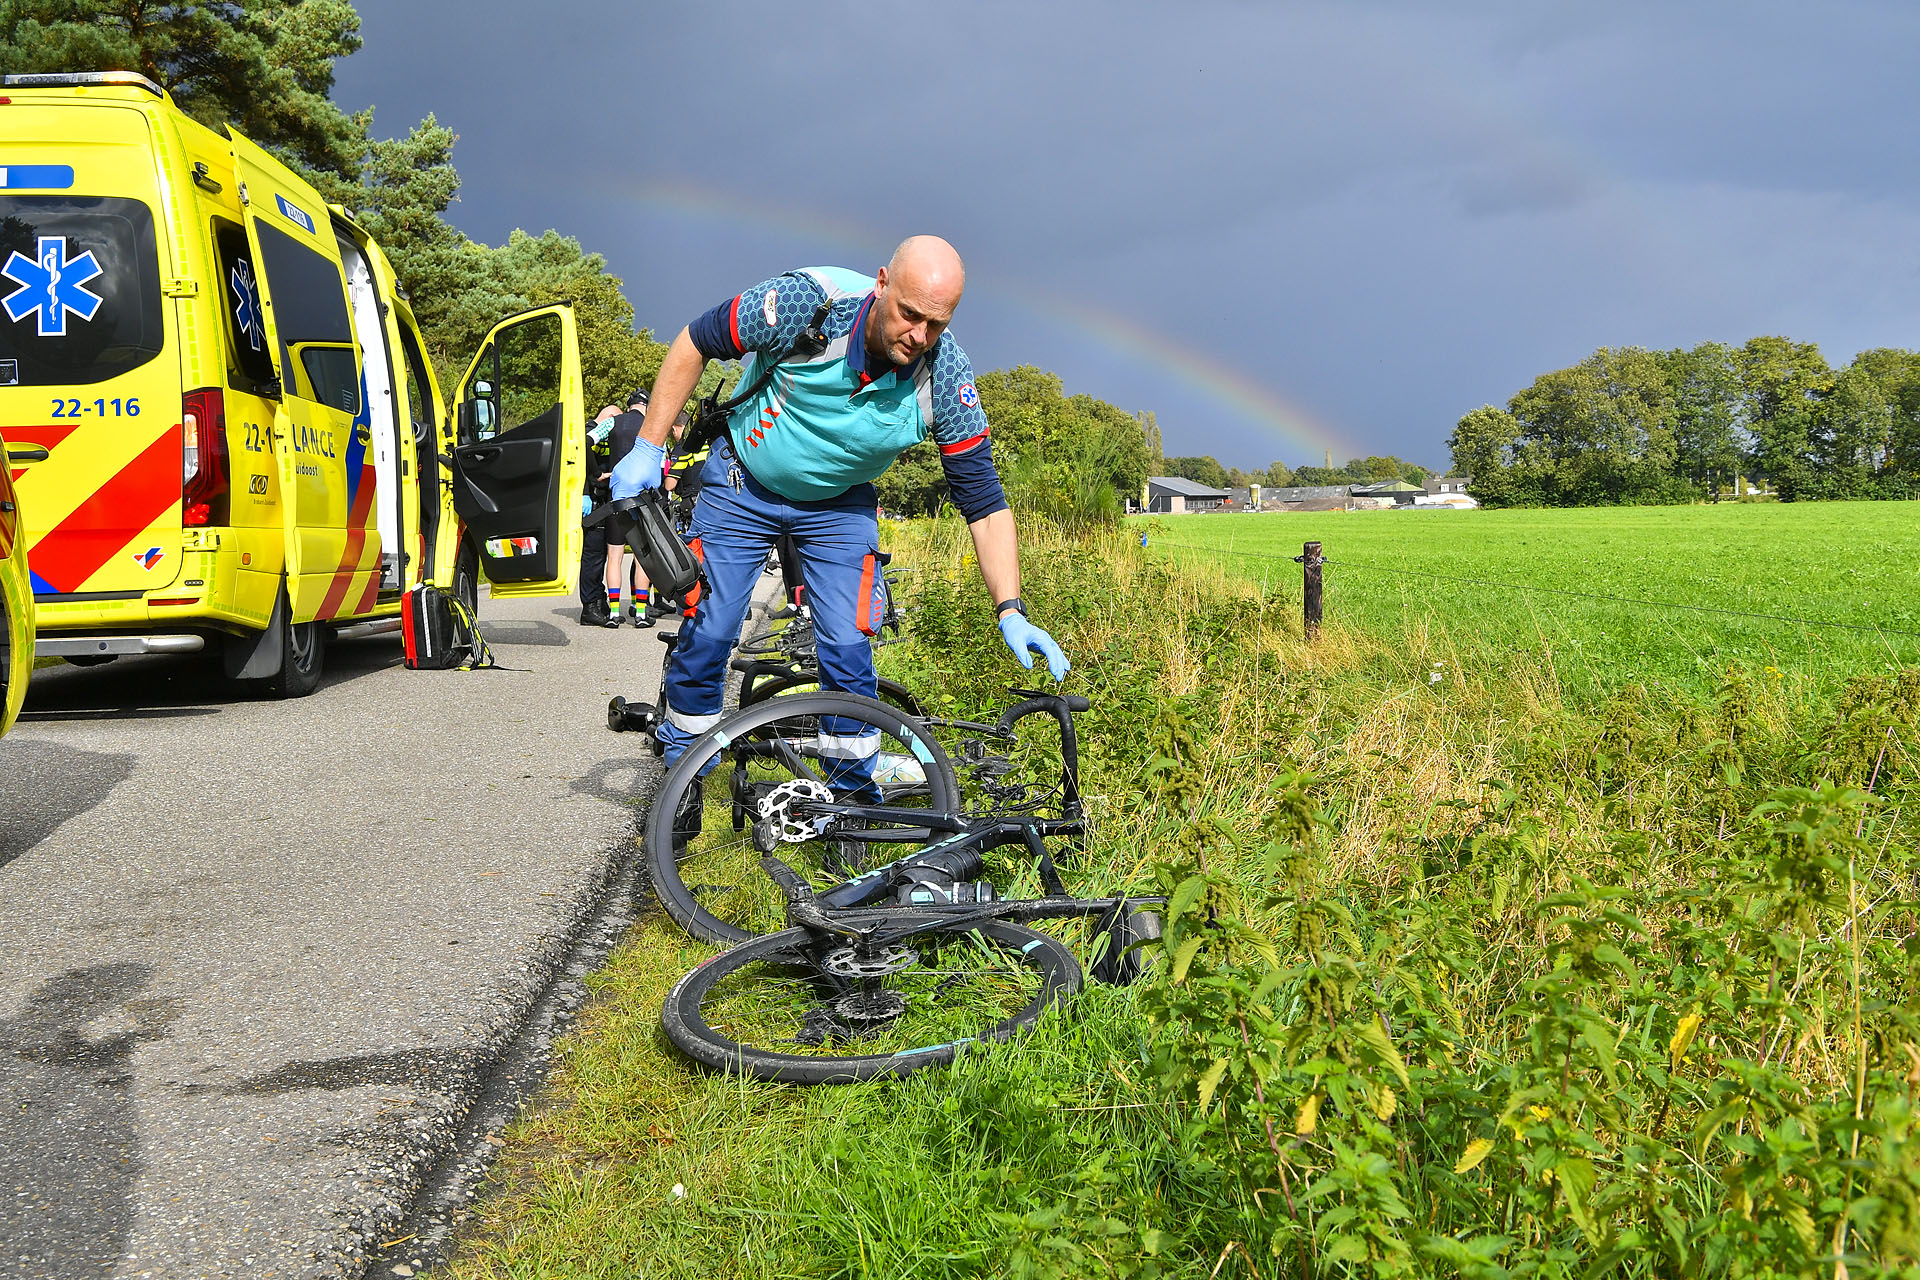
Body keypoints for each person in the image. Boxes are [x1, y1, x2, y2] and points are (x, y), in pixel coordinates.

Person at [611, 235, 1068, 797]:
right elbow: (695, 340)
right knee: (712, 628)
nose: (919, 336)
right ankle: (684, 775)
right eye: (909, 314)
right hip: (744, 480)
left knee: (849, 650)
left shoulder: (944, 377)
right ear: (881, 284)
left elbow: (983, 500)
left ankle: (851, 801)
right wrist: (651, 446)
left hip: (838, 503)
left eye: (937, 325)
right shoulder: (804, 307)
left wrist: (1010, 609)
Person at [576, 404, 625, 627]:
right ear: (610, 418)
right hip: (593, 500)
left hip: (602, 500)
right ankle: (590, 607)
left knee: (601, 557)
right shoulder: (587, 432)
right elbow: (578, 468)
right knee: (593, 556)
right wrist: (593, 481)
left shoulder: (601, 436)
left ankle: (599, 599)